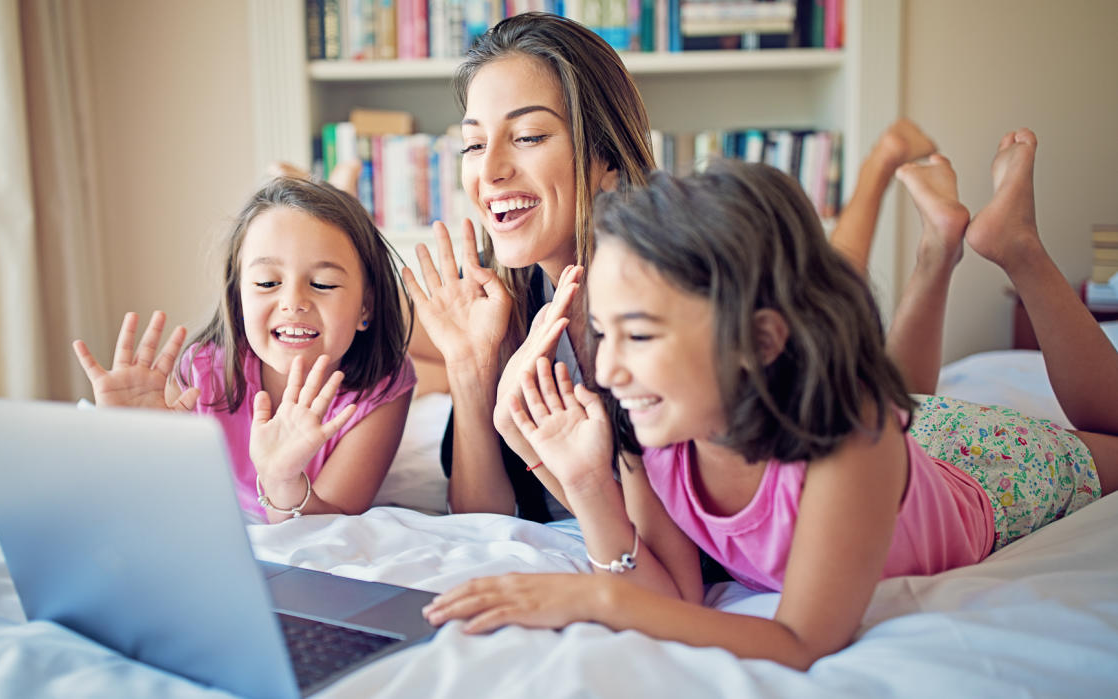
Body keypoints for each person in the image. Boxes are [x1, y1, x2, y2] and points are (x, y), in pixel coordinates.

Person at [420, 135, 1116, 669]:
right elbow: (677, 598)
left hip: (977, 470)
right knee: (885, 382)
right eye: (602, 332)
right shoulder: (652, 425)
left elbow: (800, 639)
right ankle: (942, 244)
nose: (608, 366)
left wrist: (597, 598)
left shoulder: (855, 443)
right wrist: (572, 476)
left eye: (638, 333)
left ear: (757, 339)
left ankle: (1016, 247)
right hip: (881, 435)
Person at [404, 11, 938, 523]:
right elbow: (481, 525)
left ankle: (927, 235)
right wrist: (470, 375)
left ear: (606, 158)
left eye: (528, 137)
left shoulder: (677, 284)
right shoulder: (500, 309)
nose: (490, 170)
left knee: (868, 377)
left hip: (900, 461)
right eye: (474, 143)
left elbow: (658, 534)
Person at [73, 176, 416, 521]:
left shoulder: (383, 388)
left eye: (322, 284)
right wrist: (134, 445)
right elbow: (158, 510)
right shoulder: (202, 372)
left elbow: (326, 532)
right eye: (268, 282)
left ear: (365, 307)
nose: (293, 302)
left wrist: (282, 480)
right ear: (238, 296)